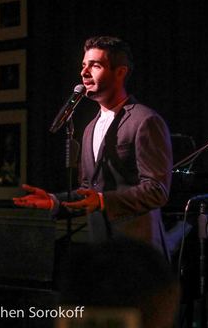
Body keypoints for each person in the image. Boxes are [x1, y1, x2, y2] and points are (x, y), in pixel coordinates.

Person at [13, 36, 173, 258]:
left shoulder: (145, 121)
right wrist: (54, 201)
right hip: (101, 248)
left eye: (95, 65)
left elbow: (157, 190)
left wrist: (102, 201)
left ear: (120, 72)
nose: (84, 72)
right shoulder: (89, 128)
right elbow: (89, 189)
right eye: (83, 65)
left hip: (138, 251)